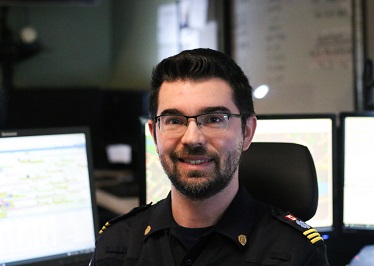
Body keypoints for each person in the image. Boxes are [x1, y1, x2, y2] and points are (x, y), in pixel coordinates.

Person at [90, 48, 330, 265]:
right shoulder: (116, 245)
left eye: (214, 119)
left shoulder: (297, 255)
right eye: (174, 120)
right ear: (154, 135)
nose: (192, 138)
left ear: (247, 132)